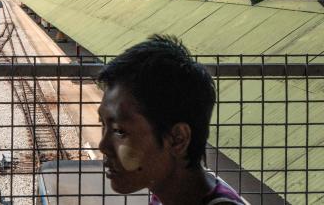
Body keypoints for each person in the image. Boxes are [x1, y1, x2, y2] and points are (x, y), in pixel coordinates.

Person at [97, 35, 246, 205]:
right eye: (103, 124)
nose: (103, 146)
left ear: (178, 139)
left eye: (119, 131)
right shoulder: (166, 196)